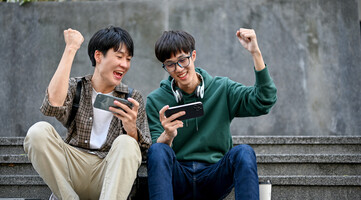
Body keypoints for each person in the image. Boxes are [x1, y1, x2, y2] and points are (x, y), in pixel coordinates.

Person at [146, 28, 277, 200]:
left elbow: (263, 101)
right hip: (178, 178)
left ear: (193, 56)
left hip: (214, 176)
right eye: (170, 64)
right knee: (157, 149)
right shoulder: (156, 100)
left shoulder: (222, 88)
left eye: (182, 60)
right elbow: (158, 152)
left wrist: (256, 53)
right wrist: (168, 135)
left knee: (244, 152)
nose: (178, 69)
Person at [24, 26, 151, 200]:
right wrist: (71, 49)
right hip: (72, 169)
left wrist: (131, 130)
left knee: (127, 143)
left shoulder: (132, 97)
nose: (125, 65)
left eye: (128, 59)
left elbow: (142, 152)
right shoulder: (76, 88)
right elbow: (52, 105)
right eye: (120, 57)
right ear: (98, 56)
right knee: (37, 132)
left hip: (108, 174)